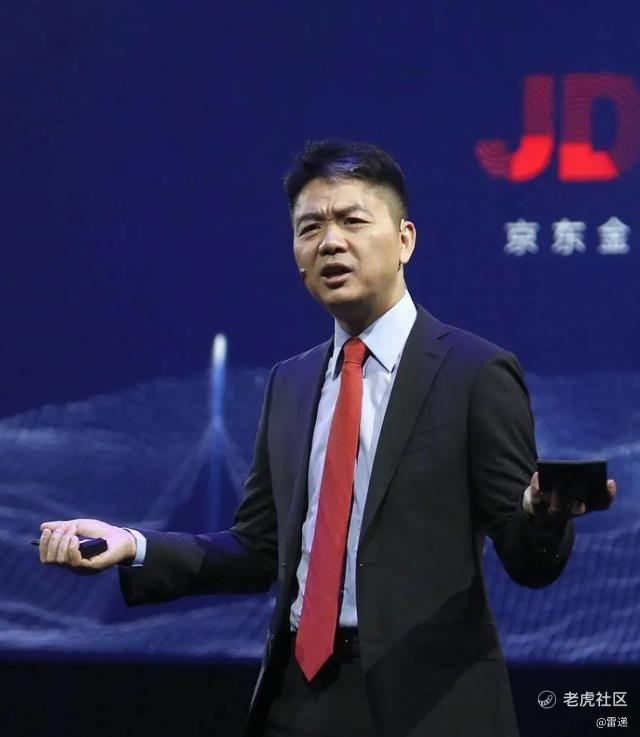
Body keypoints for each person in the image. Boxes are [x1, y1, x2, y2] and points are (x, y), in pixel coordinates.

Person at [39, 140, 617, 737]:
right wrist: (133, 545)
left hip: (425, 704)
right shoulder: (290, 383)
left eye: (352, 221)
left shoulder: (475, 372)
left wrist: (542, 516)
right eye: (309, 227)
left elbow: (528, 561)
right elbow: (258, 550)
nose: (330, 243)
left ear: (405, 241)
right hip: (294, 698)